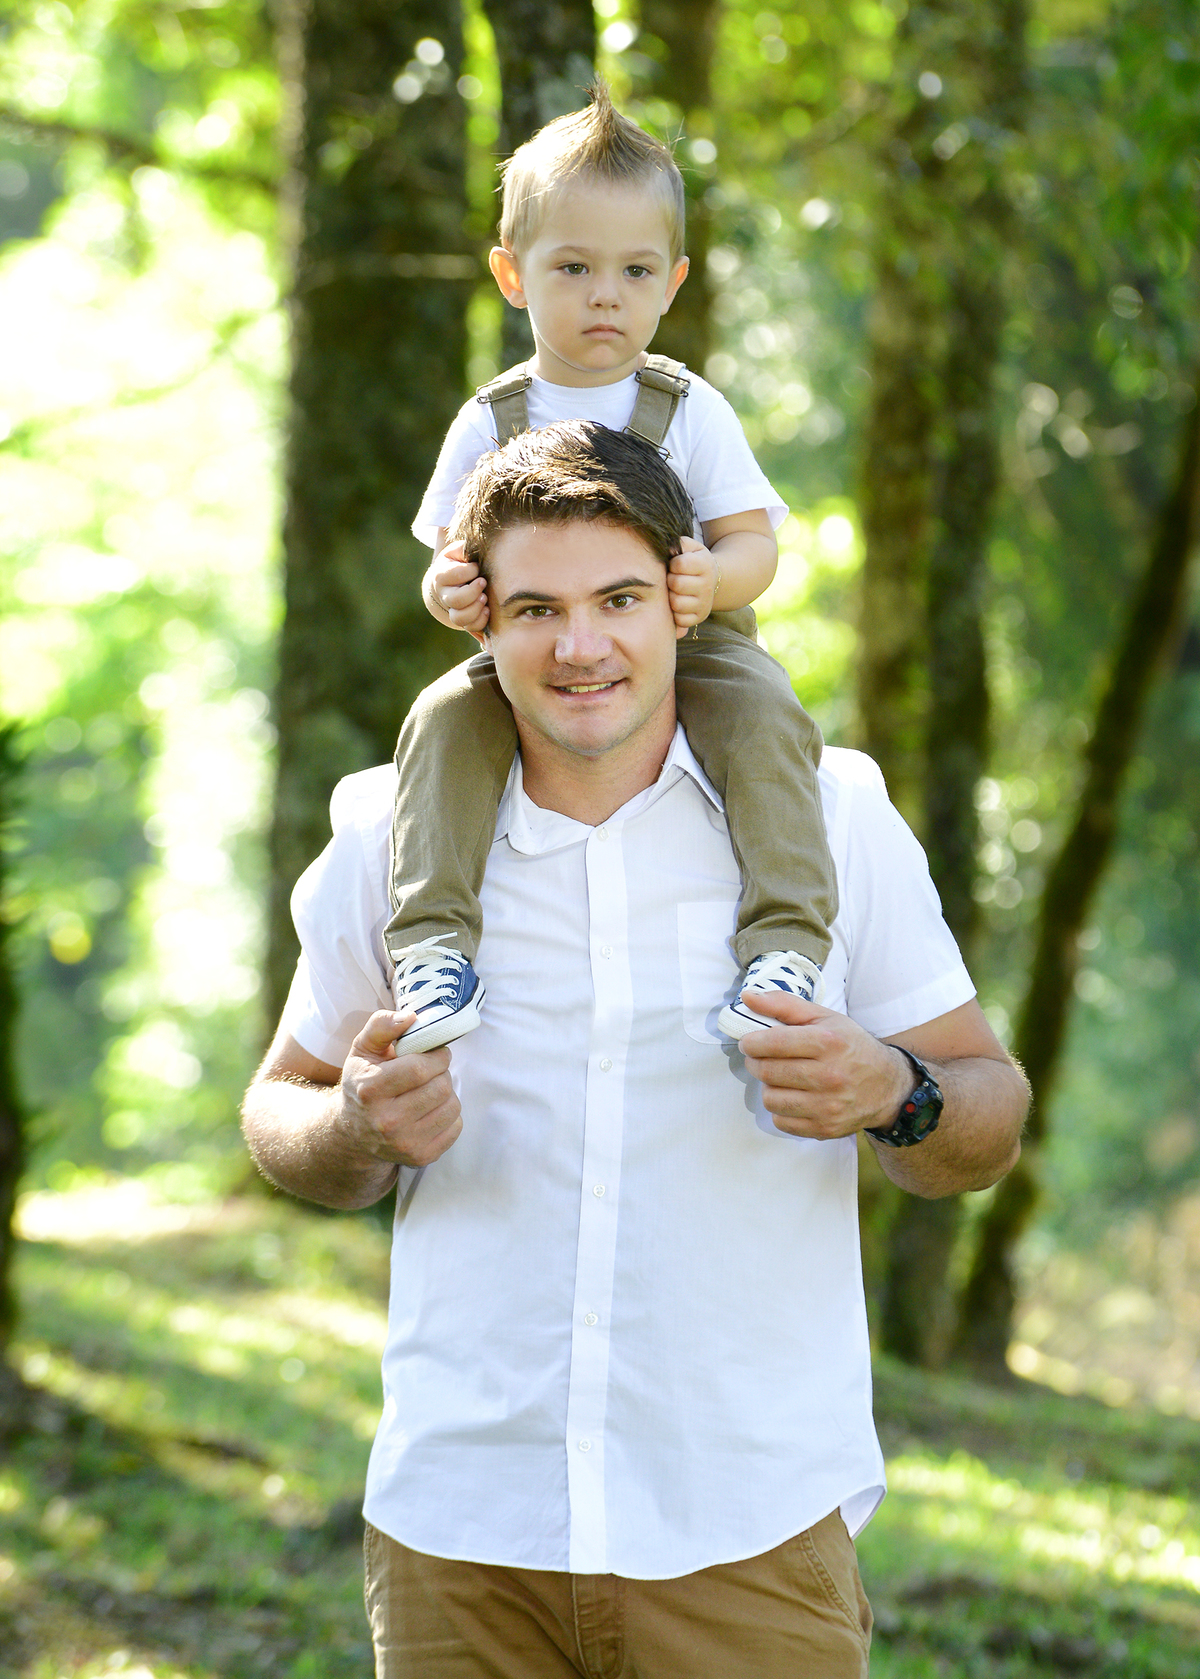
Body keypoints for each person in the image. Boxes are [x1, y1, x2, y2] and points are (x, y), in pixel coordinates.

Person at [242, 421, 1027, 1679]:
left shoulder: (833, 821)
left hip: (751, 1534)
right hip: (463, 1542)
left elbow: (986, 1110)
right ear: (479, 616)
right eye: (537, 607)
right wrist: (352, 1129)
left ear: (681, 592)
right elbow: (285, 1103)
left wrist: (895, 1088)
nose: (581, 645)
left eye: (616, 598)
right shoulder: (390, 834)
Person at [382, 81, 839, 1054]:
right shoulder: (492, 419)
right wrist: (451, 593)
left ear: (672, 282)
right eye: (574, 266)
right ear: (513, 275)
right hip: (533, 650)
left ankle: (785, 944)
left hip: (696, 640)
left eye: (634, 271)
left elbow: (756, 539)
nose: (605, 295)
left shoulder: (687, 408)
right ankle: (432, 947)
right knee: (442, 718)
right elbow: (444, 565)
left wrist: (716, 580)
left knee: (766, 715)